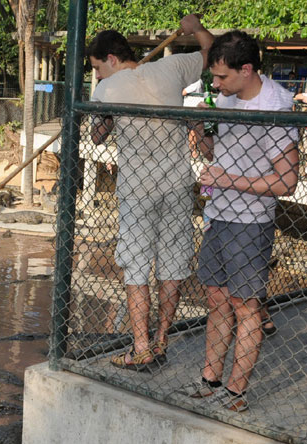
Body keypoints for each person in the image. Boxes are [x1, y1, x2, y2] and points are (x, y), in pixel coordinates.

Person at [88, 14, 215, 370]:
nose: (96, 75)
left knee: (136, 269)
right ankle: (161, 343)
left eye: (98, 67)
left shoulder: (106, 90)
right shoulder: (171, 67)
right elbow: (210, 51)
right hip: (176, 183)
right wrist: (196, 29)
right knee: (172, 266)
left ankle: (141, 347)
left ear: (112, 59)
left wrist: (108, 112)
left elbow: (97, 137)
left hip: (137, 190)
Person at [182, 30, 300, 412]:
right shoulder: (227, 95)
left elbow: (288, 181)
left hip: (250, 221)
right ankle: (209, 378)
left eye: (222, 77)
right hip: (218, 213)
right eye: (213, 78)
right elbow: (215, 149)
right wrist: (200, 128)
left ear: (247, 70)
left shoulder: (274, 107)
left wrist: (228, 180)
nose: (215, 84)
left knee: (244, 303)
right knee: (216, 298)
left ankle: (235, 391)